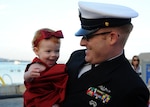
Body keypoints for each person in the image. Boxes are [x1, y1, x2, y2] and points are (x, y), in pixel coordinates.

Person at [27, 1, 149, 107]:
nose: (81, 42)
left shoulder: (131, 88)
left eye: (88, 36)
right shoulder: (77, 57)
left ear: (112, 38)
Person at [23, 28, 68, 107]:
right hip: (38, 98)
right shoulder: (36, 65)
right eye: (48, 51)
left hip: (51, 96)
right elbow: (27, 79)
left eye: (57, 51)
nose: (53, 55)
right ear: (36, 51)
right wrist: (29, 74)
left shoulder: (56, 67)